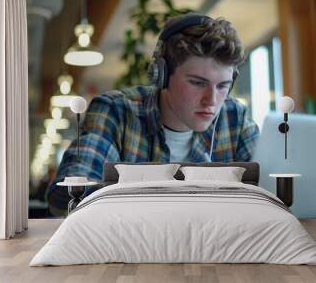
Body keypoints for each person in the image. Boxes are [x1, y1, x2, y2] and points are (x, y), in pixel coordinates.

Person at [47, 13, 259, 216]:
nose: (212, 100)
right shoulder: (116, 111)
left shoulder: (235, 119)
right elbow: (66, 196)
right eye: (197, 83)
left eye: (223, 86)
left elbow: (272, 192)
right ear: (161, 75)